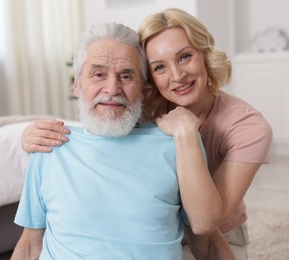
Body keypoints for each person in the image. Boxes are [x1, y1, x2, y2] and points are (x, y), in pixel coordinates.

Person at [21, 8, 273, 259]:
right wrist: (28, 137)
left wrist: (186, 133)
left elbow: (206, 225)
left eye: (185, 57)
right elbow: (98, 126)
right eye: (160, 67)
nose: (177, 76)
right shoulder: (142, 108)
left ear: (205, 54)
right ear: (149, 80)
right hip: (156, 225)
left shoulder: (247, 127)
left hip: (215, 226)